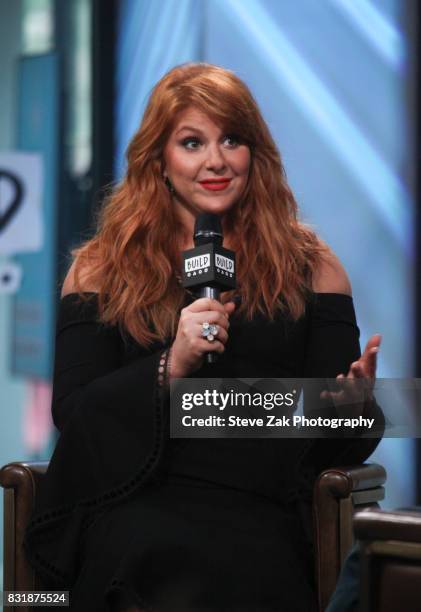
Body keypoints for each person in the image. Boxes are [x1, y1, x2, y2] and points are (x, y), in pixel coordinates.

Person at [23, 62, 385, 612]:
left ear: (254, 155)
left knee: (242, 565)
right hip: (135, 500)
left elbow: (334, 446)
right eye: (192, 142)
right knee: (148, 550)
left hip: (260, 509)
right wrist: (172, 365)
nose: (215, 161)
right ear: (160, 160)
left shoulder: (312, 266)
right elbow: (74, 414)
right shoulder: (101, 268)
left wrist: (355, 404)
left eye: (232, 140)